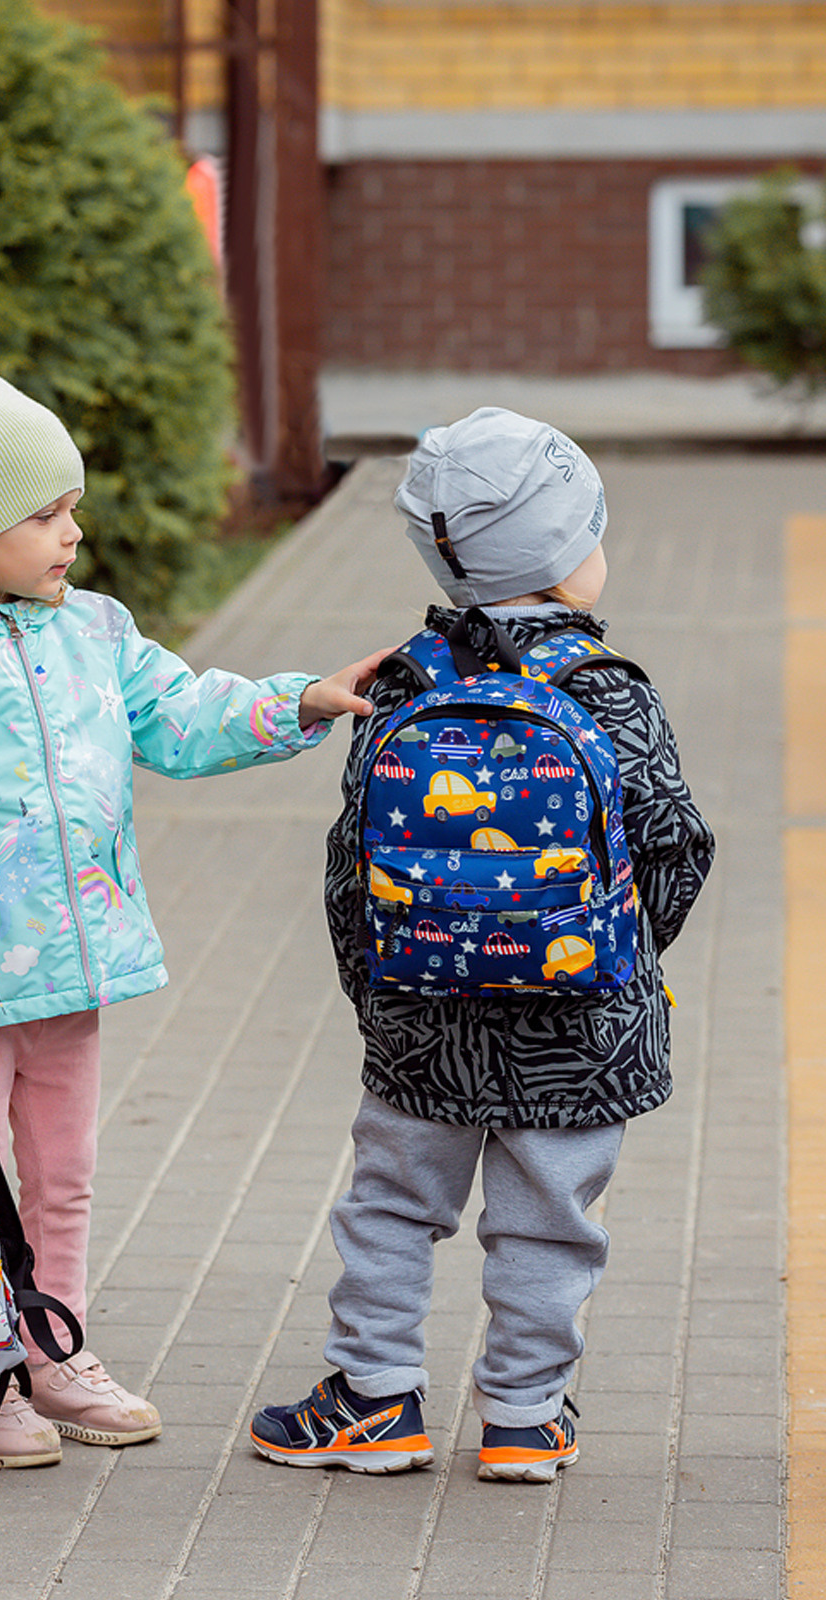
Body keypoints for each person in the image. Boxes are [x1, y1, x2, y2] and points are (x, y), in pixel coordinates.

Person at [0, 357, 387, 1470]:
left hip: (75, 972)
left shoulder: (96, 635)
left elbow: (182, 712)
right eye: (46, 512)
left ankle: (49, 1345)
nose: (74, 530)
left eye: (74, 507)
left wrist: (297, 700)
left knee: (62, 1174)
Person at [249, 407, 715, 1482]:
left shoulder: (403, 686)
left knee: (390, 1210)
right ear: (563, 556)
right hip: (580, 1027)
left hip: (423, 1021)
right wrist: (623, 964)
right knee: (551, 1224)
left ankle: (373, 1403)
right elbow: (674, 848)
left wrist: (380, 995)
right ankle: (522, 1417)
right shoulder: (609, 691)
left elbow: (348, 865)